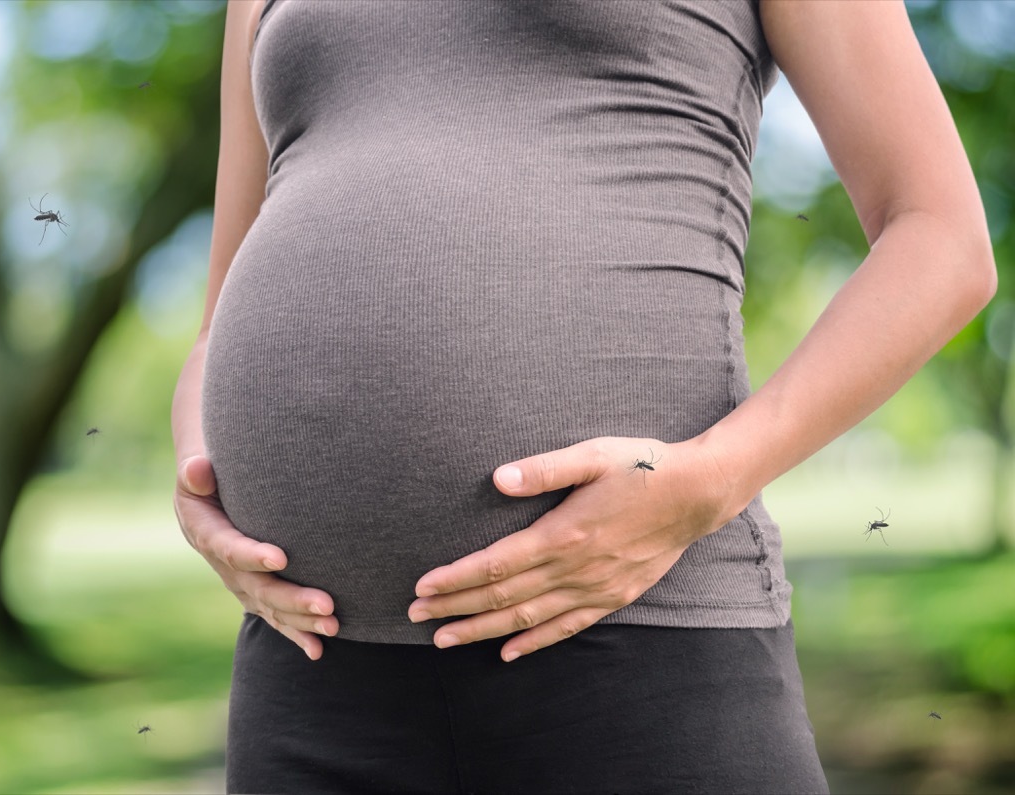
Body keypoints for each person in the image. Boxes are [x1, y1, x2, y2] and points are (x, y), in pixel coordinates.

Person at [171, 0, 996, 792]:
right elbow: (216, 327)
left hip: (637, 635)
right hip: (311, 672)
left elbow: (942, 238)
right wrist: (198, 474)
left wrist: (712, 476)